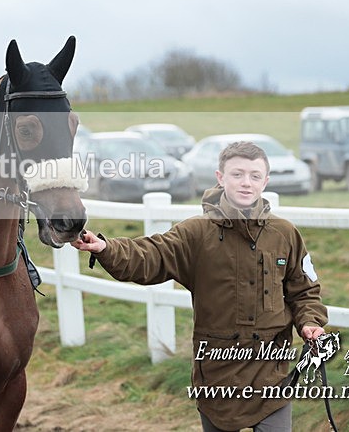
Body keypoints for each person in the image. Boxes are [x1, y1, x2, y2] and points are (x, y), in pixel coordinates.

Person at [71, 141, 328, 431]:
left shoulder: (285, 233)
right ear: (220, 177)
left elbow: (304, 290)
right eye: (237, 174)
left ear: (265, 181)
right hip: (217, 376)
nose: (246, 183)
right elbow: (151, 255)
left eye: (255, 176)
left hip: (272, 376)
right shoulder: (196, 233)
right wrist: (106, 248)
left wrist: (310, 322)